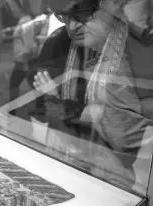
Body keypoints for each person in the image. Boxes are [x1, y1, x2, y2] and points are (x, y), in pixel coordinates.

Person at [30, 0, 153, 190]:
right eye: (63, 16)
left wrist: (62, 106)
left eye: (82, 13)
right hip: (68, 168)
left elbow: (125, 133)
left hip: (125, 182)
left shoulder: (138, 48)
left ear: (108, 6)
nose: (73, 26)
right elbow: (37, 106)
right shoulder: (58, 42)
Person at [9, 8, 64, 103]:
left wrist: (25, 60)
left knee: (15, 83)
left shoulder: (26, 20)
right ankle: (40, 108)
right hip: (26, 59)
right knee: (34, 83)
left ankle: (13, 108)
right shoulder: (27, 20)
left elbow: (28, 44)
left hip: (24, 60)